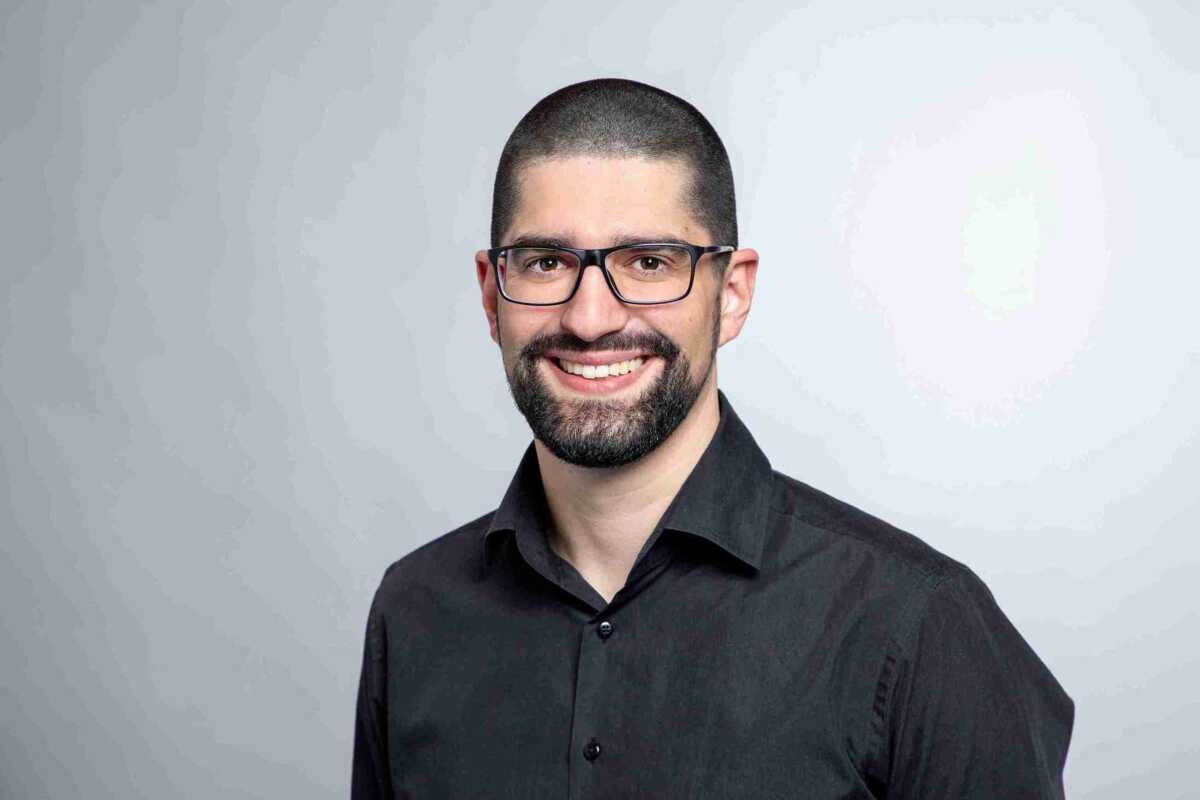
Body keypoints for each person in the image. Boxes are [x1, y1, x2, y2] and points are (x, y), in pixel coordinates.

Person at [351, 77, 1074, 798]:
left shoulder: (917, 625)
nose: (591, 318)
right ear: (489, 292)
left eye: (648, 263)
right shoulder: (413, 612)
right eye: (547, 263)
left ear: (732, 294)